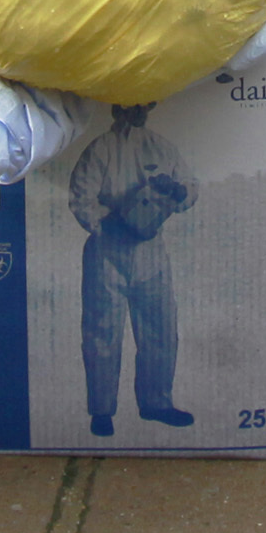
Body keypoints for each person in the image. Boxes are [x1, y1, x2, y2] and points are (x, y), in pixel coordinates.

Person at [68, 102, 196, 435]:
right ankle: (101, 411)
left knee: (161, 328)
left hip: (151, 249)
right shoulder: (101, 149)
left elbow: (191, 187)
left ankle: (157, 403)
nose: (137, 111)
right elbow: (81, 199)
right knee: (102, 332)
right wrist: (106, 224)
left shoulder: (160, 146)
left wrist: (180, 193)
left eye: (143, 104)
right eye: (130, 105)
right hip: (107, 249)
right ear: (117, 108)